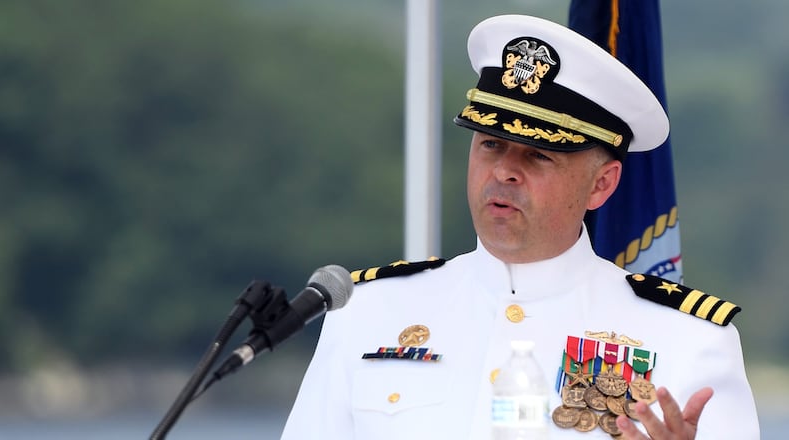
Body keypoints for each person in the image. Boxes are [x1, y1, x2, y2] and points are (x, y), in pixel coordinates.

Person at [280, 14, 759, 439]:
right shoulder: (368, 311)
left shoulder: (690, 341)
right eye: (490, 145)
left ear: (602, 185)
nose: (504, 171)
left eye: (537, 154)